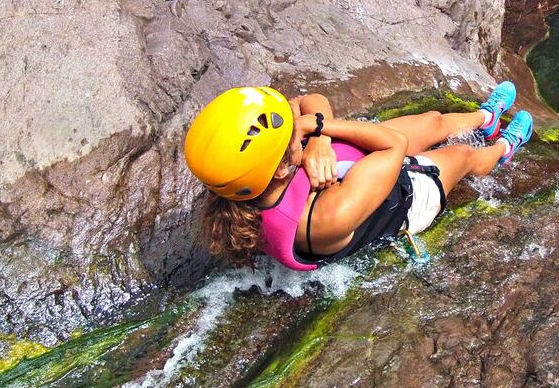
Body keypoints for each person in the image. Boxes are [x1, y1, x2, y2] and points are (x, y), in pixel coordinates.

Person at [185, 83, 533, 270]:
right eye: (294, 133)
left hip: (358, 165)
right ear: (279, 168)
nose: (296, 124)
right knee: (462, 155)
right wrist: (320, 126)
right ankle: (503, 148)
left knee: (432, 121)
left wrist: (319, 142)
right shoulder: (324, 218)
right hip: (401, 197)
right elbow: (393, 148)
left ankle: (484, 120)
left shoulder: (255, 175)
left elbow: (308, 98)